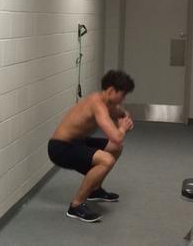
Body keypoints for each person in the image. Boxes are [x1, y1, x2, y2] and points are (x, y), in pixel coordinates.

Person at [47, 70, 135, 223]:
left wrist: (124, 119)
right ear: (111, 90)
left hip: (78, 142)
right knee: (106, 160)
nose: (123, 98)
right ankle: (76, 205)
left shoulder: (107, 102)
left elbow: (121, 114)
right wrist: (122, 128)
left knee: (116, 149)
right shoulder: (97, 104)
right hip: (60, 148)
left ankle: (95, 189)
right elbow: (116, 137)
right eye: (122, 94)